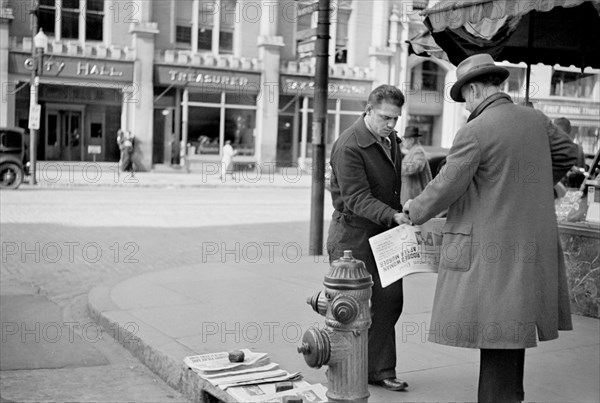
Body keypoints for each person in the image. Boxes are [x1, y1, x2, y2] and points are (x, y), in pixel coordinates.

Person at [400, 53, 578, 402]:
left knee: (497, 332)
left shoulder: (475, 131)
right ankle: (512, 395)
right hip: (529, 244)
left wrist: (414, 209)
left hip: (490, 249)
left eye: (465, 96)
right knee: (513, 327)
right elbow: (571, 156)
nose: (465, 105)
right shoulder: (536, 119)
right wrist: (536, 186)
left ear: (476, 89)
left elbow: (447, 184)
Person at [326, 84, 409, 392]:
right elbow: (357, 198)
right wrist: (394, 215)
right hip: (352, 237)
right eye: (386, 117)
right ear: (369, 110)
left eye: (396, 119)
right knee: (352, 310)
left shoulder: (391, 141)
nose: (391, 124)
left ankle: (377, 368)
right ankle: (350, 369)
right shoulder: (349, 145)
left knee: (390, 301)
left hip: (385, 234)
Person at [400, 126, 433, 205]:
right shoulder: (412, 151)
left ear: (411, 140)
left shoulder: (418, 151)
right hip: (411, 197)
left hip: (415, 196)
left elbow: (416, 166)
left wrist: (398, 167)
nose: (403, 142)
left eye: (405, 140)